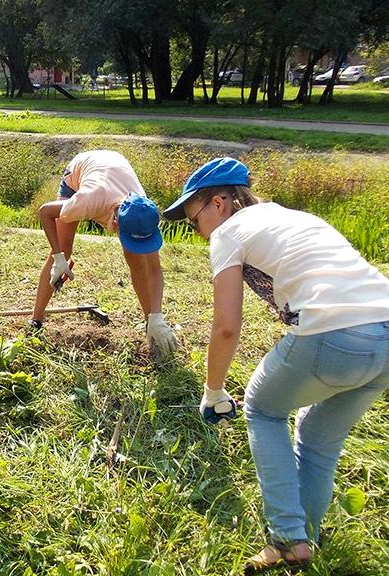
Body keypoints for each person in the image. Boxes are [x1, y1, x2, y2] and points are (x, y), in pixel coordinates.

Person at [163, 157, 389, 574]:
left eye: (194, 220)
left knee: (263, 410)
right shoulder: (297, 218)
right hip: (386, 341)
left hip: (336, 334)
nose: (198, 232)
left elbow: (227, 326)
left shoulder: (229, 231)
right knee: (318, 437)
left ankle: (287, 537)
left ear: (219, 203)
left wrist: (213, 392)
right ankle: (308, 538)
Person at [30, 150, 178, 359]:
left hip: (114, 171)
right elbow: (45, 211)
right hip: (82, 171)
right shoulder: (86, 201)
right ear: (116, 222)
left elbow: (153, 270)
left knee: (137, 261)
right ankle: (35, 320)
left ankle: (150, 324)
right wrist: (58, 258)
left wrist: (157, 316)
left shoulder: (143, 212)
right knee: (64, 247)